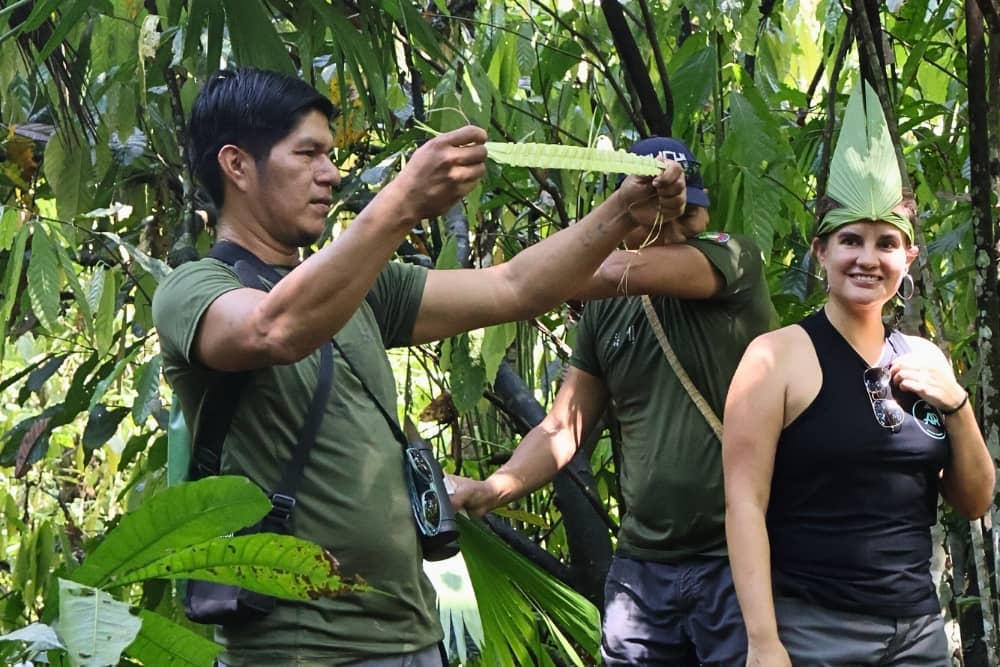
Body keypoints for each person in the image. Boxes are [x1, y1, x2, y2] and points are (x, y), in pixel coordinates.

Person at [151, 67, 687, 666]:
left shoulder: (364, 287)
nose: (330, 173)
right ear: (237, 165)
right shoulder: (193, 288)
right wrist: (402, 202)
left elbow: (514, 287)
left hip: (412, 638)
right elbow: (271, 328)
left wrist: (622, 215)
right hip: (300, 651)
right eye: (308, 154)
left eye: (330, 155)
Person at [448, 136, 775, 666]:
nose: (674, 228)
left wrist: (624, 223)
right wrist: (493, 488)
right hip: (643, 569)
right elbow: (564, 427)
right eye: (659, 216)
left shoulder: (732, 257)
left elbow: (593, 272)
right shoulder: (606, 310)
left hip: (739, 559)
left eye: (688, 215)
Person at [722, 83, 995, 667]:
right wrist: (763, 641)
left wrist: (957, 404)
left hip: (918, 630)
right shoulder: (775, 358)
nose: (867, 258)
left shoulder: (925, 358)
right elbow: (744, 502)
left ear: (907, 259)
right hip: (814, 630)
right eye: (851, 240)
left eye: (885, 243)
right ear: (820, 252)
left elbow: (973, 501)